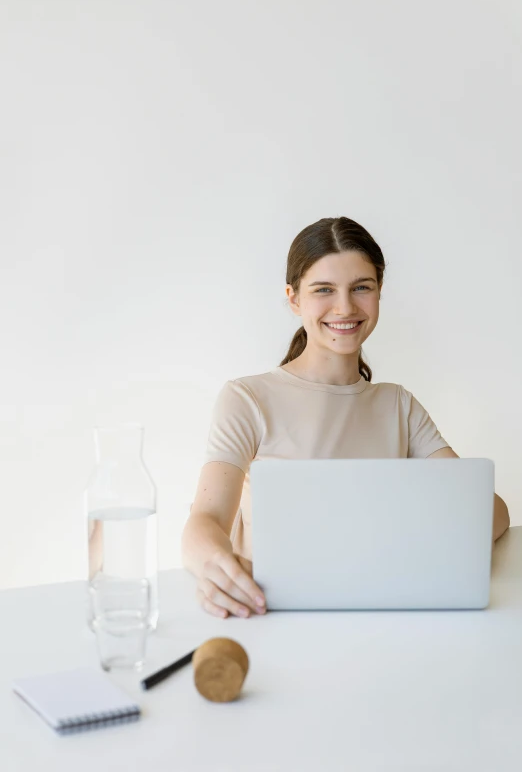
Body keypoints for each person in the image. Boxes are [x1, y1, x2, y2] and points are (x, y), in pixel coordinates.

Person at [181, 216, 510, 619]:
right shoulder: (247, 398)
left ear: (379, 292)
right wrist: (217, 569)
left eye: (361, 288)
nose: (345, 307)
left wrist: (416, 528)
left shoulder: (398, 405)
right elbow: (205, 522)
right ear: (294, 298)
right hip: (275, 615)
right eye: (324, 290)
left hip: (381, 611)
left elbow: (491, 511)